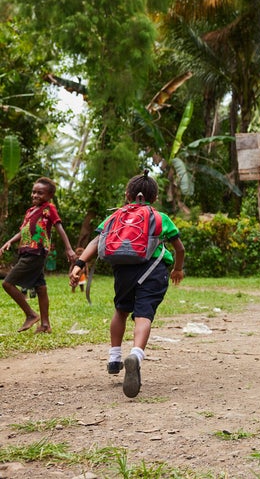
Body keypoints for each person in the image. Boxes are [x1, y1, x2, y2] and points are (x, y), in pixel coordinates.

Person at [70, 170, 185, 398]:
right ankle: (135, 354)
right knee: (144, 315)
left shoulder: (115, 216)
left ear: (127, 194)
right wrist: (178, 268)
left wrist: (79, 264)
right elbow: (179, 248)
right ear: (155, 198)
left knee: (121, 310)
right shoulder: (160, 217)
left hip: (123, 271)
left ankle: (114, 357)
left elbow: (96, 240)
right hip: (154, 271)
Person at [1, 177, 77, 334]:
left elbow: (59, 227)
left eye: (40, 193)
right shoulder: (30, 211)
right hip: (26, 251)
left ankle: (30, 314)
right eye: (34, 192)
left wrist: (69, 249)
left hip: (36, 253)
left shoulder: (49, 208)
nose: (35, 195)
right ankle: (45, 325)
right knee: (41, 288)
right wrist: (10, 241)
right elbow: (23, 231)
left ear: (49, 196)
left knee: (7, 283)